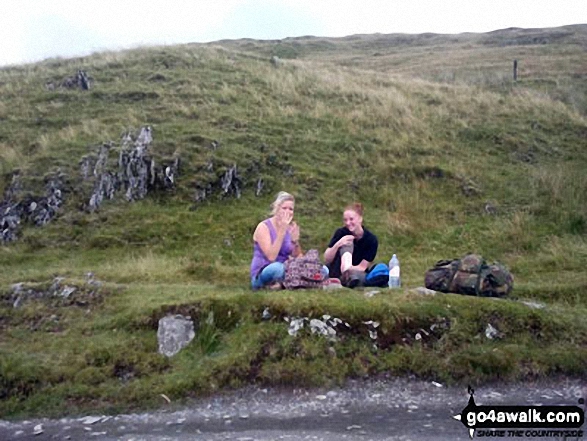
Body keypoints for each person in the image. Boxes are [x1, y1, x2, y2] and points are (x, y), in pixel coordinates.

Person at [250, 191, 302, 289]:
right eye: (284, 208)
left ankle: (283, 284)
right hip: (265, 270)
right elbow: (271, 257)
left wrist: (295, 241)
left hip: (287, 268)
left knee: (323, 269)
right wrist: (282, 231)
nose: (288, 212)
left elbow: (298, 257)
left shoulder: (290, 228)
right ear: (277, 208)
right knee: (277, 269)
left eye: (291, 209)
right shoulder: (263, 227)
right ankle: (289, 283)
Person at [324, 202, 378, 287]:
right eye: (345, 220)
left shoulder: (371, 240)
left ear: (360, 219)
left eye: (351, 219)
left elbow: (362, 267)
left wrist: (349, 270)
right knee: (347, 243)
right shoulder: (341, 233)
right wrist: (338, 244)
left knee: (359, 277)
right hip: (336, 270)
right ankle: (343, 272)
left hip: (355, 272)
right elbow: (327, 258)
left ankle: (347, 276)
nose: (348, 223)